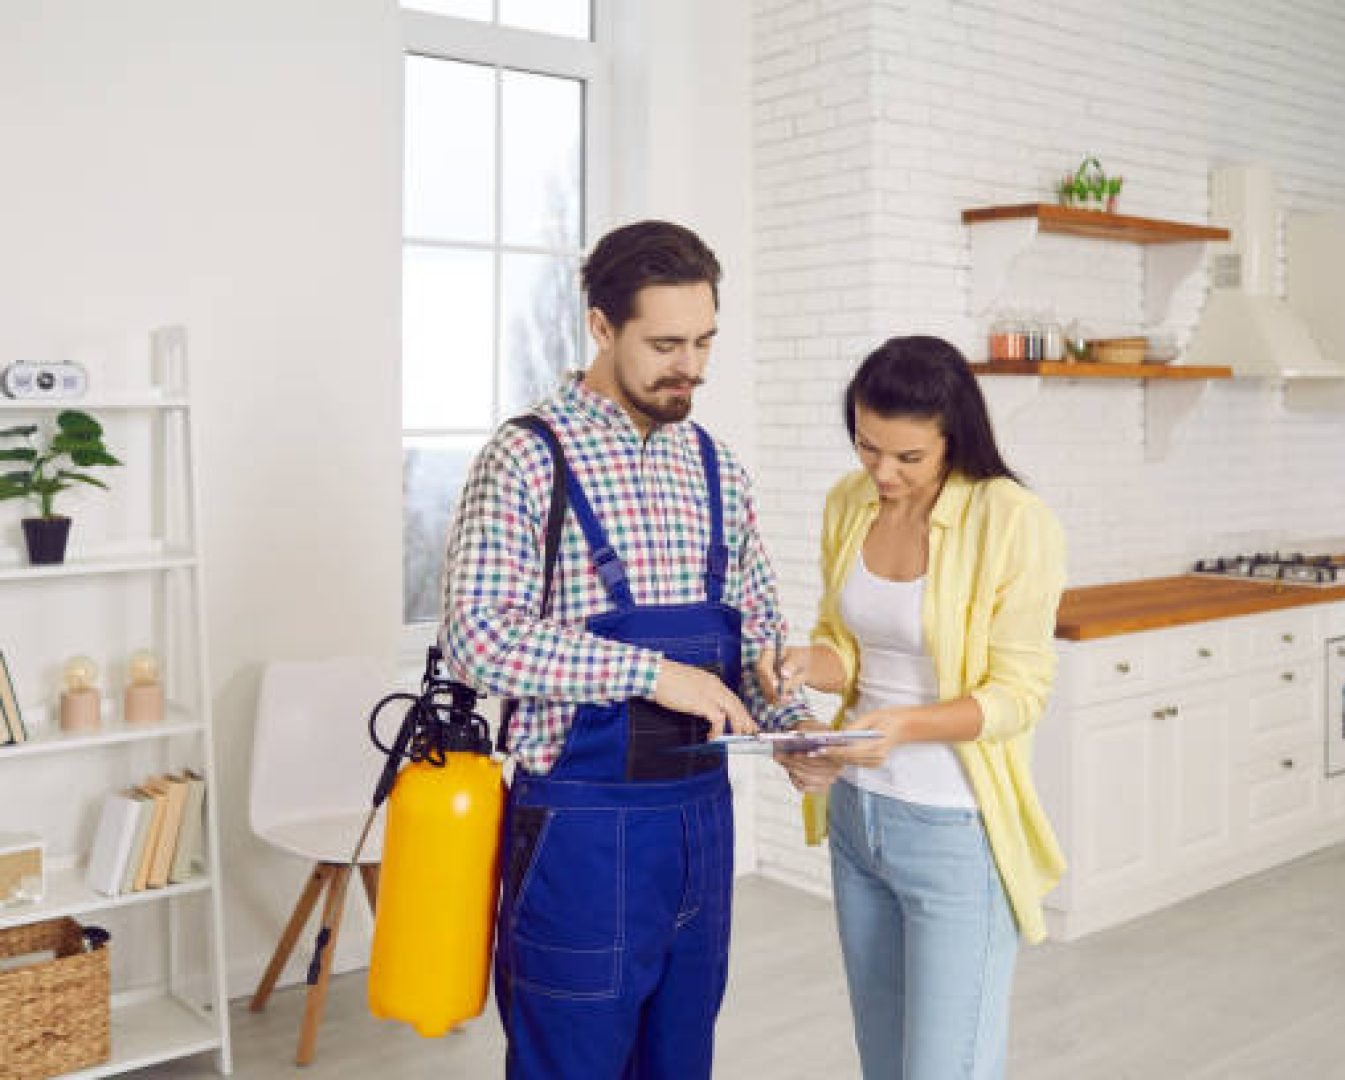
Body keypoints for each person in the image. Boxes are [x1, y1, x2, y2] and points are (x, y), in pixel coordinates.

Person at [442, 219, 809, 1079]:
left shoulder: (717, 468)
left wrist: (792, 726)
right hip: (580, 834)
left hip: (700, 829)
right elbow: (476, 637)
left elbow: (756, 634)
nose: (691, 366)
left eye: (705, 340)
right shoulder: (528, 458)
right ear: (602, 327)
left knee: (680, 1064)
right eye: (666, 343)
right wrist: (652, 673)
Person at [761, 335, 1067, 1080]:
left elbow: (1019, 694)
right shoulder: (848, 501)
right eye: (869, 448)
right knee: (885, 1063)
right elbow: (850, 649)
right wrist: (806, 662)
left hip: (954, 830)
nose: (883, 473)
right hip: (857, 820)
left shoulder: (1012, 519)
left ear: (952, 440)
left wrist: (901, 728)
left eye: (908, 458)